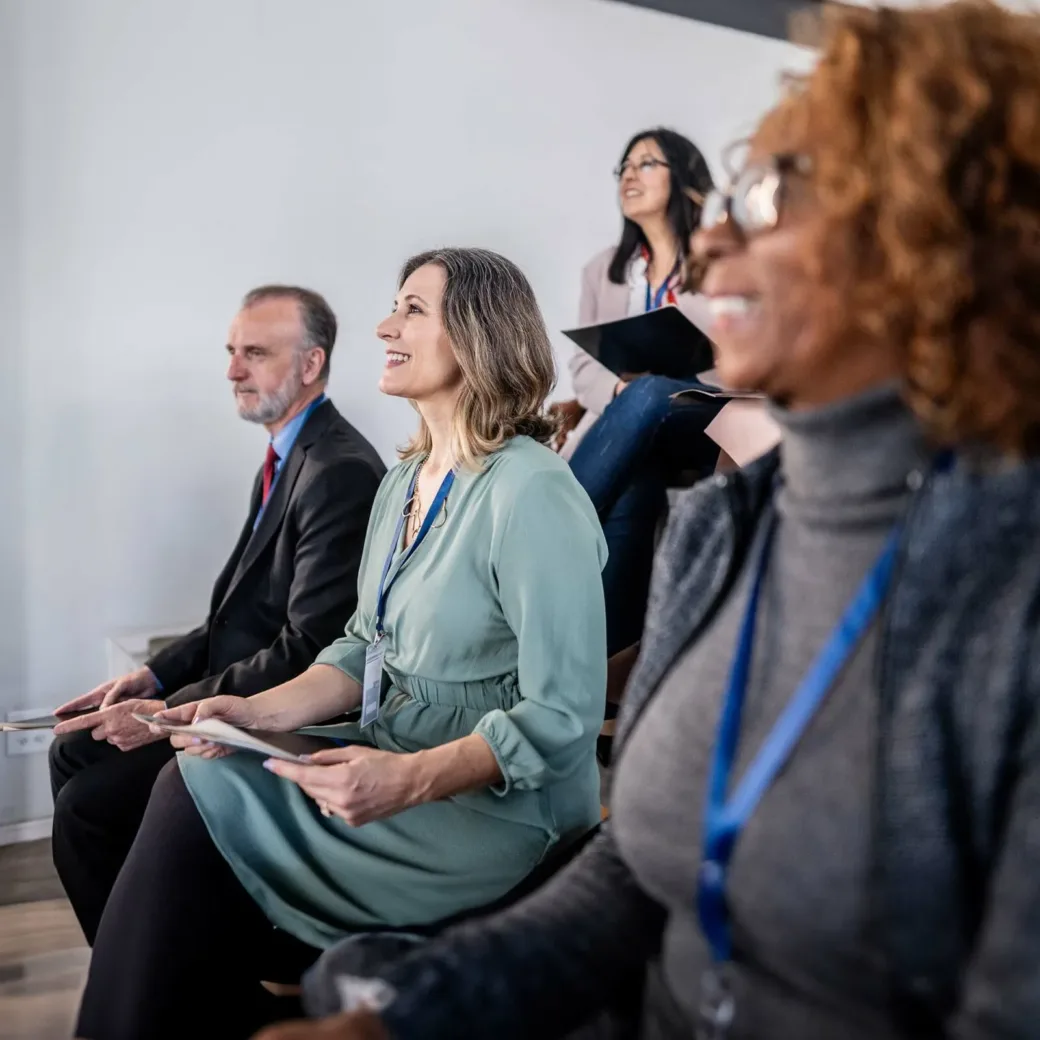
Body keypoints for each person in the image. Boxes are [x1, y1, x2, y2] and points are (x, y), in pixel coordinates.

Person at [267, 3, 1040, 1038]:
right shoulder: (722, 535)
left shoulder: (1012, 591)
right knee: (354, 986)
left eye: (769, 194)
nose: (716, 236)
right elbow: (636, 866)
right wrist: (406, 1019)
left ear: (931, 225)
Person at [74, 248, 607, 1040]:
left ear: (478, 334)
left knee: (189, 802)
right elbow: (363, 648)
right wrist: (248, 712)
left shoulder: (532, 492)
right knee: (193, 776)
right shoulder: (404, 482)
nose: (385, 326)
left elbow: (563, 716)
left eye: (413, 310)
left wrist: (410, 779)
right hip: (391, 744)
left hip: (496, 812)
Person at [48, 284, 385, 946]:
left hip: (274, 720)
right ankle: (147, 959)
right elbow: (232, 615)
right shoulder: (288, 456)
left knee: (86, 812)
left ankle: (151, 972)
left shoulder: (338, 470)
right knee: (69, 750)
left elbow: (308, 649)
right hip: (227, 694)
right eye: (232, 351)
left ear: (311, 364)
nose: (232, 370)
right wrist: (151, 680)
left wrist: (167, 713)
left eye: (254, 353)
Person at [560, 128, 769, 657]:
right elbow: (583, 366)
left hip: (706, 415)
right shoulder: (603, 271)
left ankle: (550, 532)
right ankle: (604, 664)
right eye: (624, 167)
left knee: (654, 393)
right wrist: (619, 388)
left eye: (646, 164)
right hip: (633, 422)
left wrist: (668, 370)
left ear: (683, 176)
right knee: (638, 477)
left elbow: (749, 351)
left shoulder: (721, 259)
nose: (629, 174)